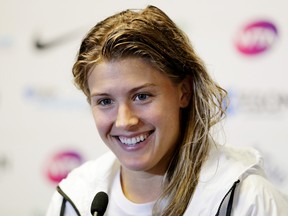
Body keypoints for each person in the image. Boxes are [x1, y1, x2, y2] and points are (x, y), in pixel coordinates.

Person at [46, 5, 288, 216]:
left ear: (184, 92)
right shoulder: (75, 199)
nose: (124, 121)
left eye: (142, 96)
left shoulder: (247, 201)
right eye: (105, 101)